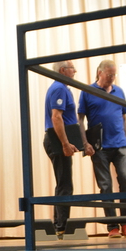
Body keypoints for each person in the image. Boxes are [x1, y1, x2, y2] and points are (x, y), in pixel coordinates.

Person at [78, 60, 126, 239]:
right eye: (109, 74)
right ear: (100, 72)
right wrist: (85, 143)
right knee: (105, 186)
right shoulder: (87, 91)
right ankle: (112, 226)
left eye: (114, 74)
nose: (112, 77)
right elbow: (80, 119)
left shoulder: (119, 91)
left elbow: (124, 118)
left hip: (120, 144)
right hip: (99, 147)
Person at [43, 60, 80, 240]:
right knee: (65, 185)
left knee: (63, 184)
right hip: (57, 140)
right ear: (63, 70)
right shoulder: (59, 88)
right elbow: (56, 117)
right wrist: (65, 143)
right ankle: (61, 227)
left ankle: (59, 225)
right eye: (72, 68)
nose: (75, 71)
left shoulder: (62, 88)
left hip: (58, 140)